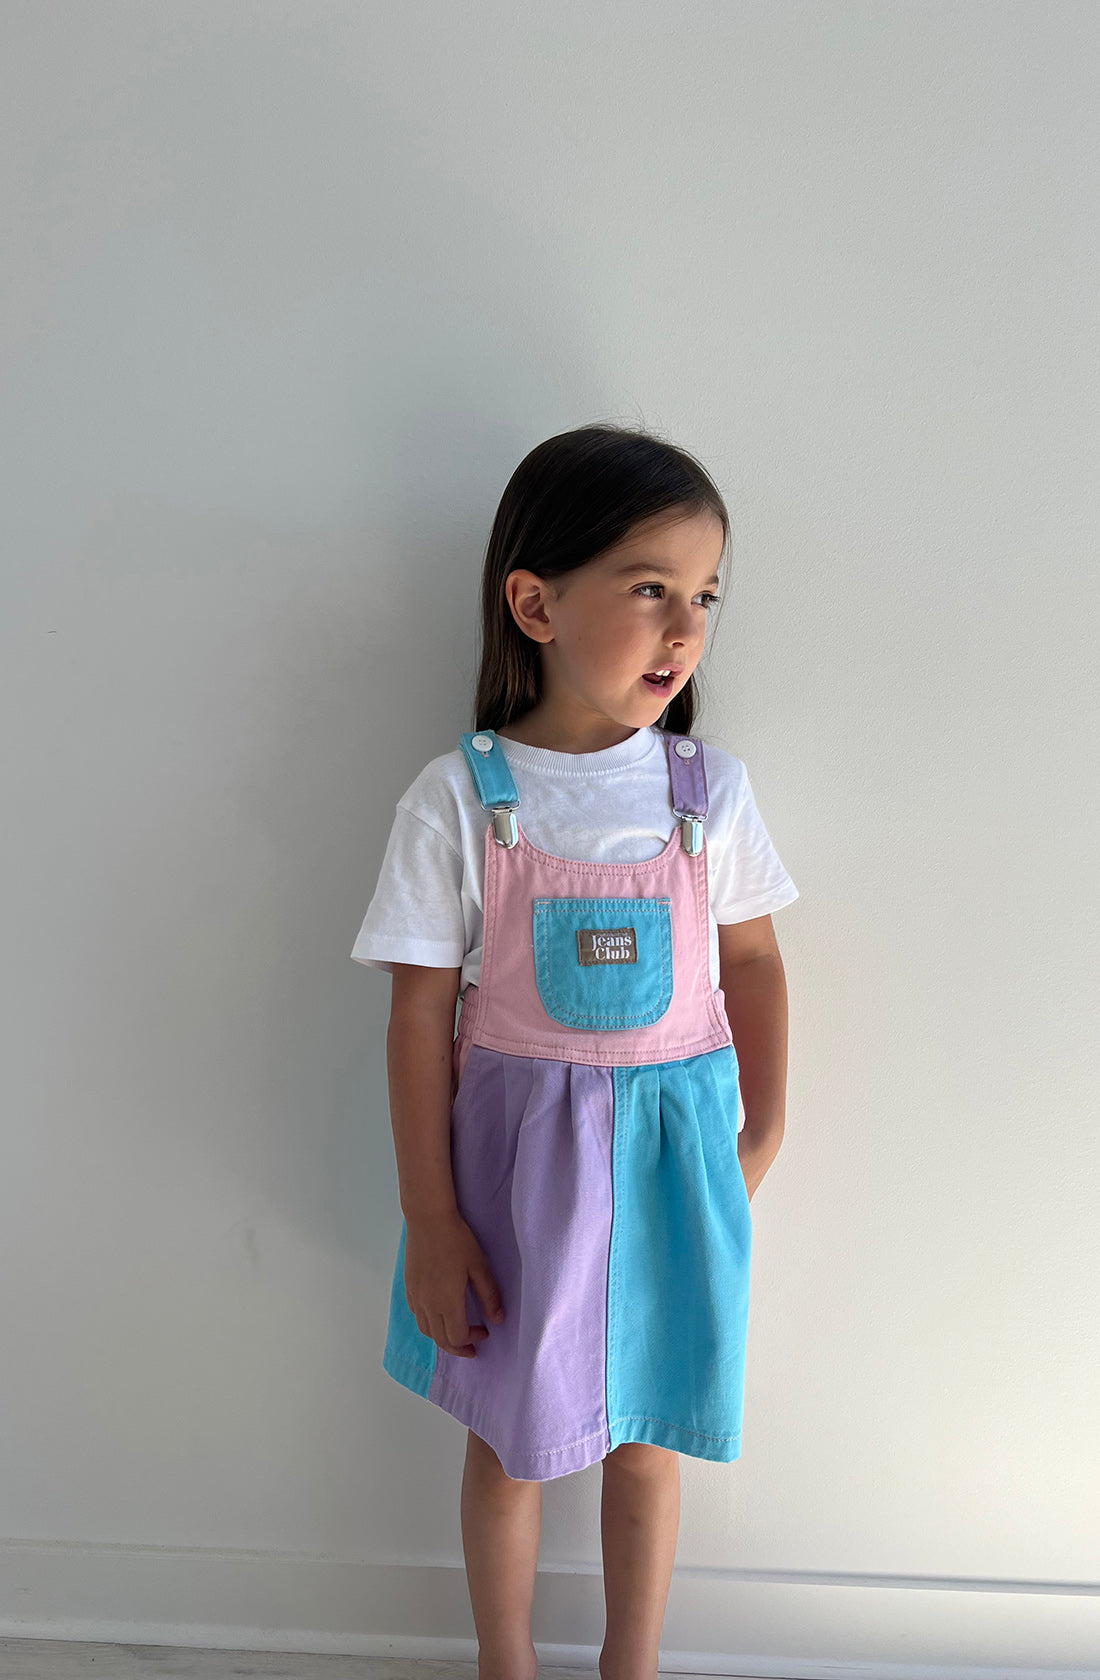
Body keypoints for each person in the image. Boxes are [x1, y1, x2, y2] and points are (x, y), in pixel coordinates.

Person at [350, 423, 798, 1680]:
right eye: (650, 587)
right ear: (534, 601)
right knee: (509, 1439)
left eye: (703, 596)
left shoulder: (705, 792)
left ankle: (629, 1666)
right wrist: (429, 1220)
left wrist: (759, 1131)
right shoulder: (461, 796)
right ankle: (507, 1666)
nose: (683, 627)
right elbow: (414, 1016)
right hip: (514, 1180)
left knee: (646, 1434)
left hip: (674, 1163)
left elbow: (753, 964)